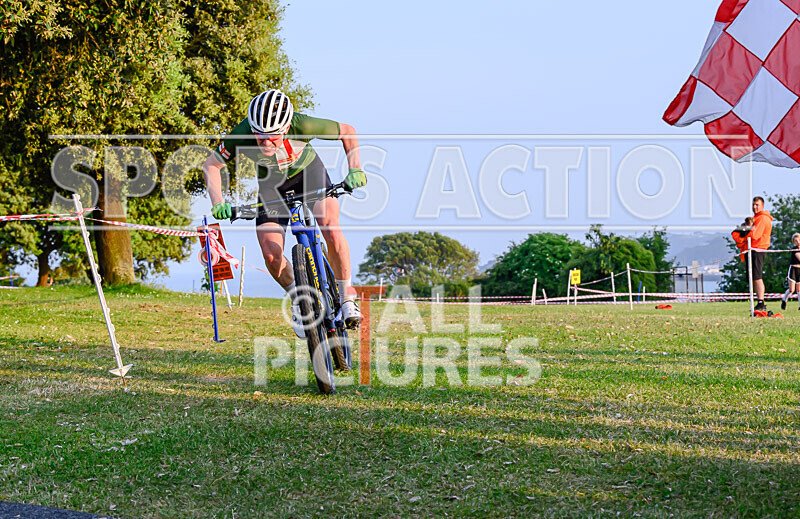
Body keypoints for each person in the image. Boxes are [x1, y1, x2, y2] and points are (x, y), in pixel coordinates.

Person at [202, 89, 366, 337]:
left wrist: (355, 169)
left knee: (330, 227)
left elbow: (348, 131)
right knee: (271, 254)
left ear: (287, 126)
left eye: (273, 137)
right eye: (260, 138)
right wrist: (218, 202)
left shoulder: (304, 124)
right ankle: (300, 300)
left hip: (311, 176)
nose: (266, 144)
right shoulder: (242, 133)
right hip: (271, 188)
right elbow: (212, 165)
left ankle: (346, 297)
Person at [746, 196, 773, 312]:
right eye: (753, 204)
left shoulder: (762, 218)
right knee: (753, 276)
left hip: (758, 249)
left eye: (757, 205)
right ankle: (759, 301)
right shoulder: (756, 218)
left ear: (762, 206)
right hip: (753, 248)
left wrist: (745, 231)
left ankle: (761, 302)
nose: (754, 207)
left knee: (757, 276)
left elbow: (755, 235)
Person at [780, 233, 800, 311]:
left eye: (799, 240)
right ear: (794, 242)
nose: (798, 242)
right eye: (796, 241)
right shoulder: (794, 249)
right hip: (793, 270)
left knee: (799, 289)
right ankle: (784, 299)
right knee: (792, 289)